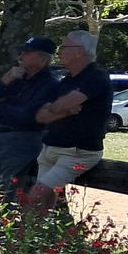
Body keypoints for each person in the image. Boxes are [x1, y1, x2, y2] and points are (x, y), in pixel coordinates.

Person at [30, 29, 113, 210]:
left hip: (76, 153)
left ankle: (24, 228)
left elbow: (60, 105)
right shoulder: (66, 80)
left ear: (79, 51)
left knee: (35, 195)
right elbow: (41, 115)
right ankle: (39, 229)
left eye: (64, 47)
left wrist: (57, 107)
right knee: (43, 204)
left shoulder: (96, 76)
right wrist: (65, 111)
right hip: (50, 149)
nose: (59, 51)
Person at [0, 37, 58, 198]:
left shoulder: (49, 85)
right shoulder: (15, 77)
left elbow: (28, 115)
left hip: (21, 141)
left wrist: (3, 105)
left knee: (5, 190)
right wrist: (4, 82)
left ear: (42, 59)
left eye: (27, 53)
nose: (20, 57)